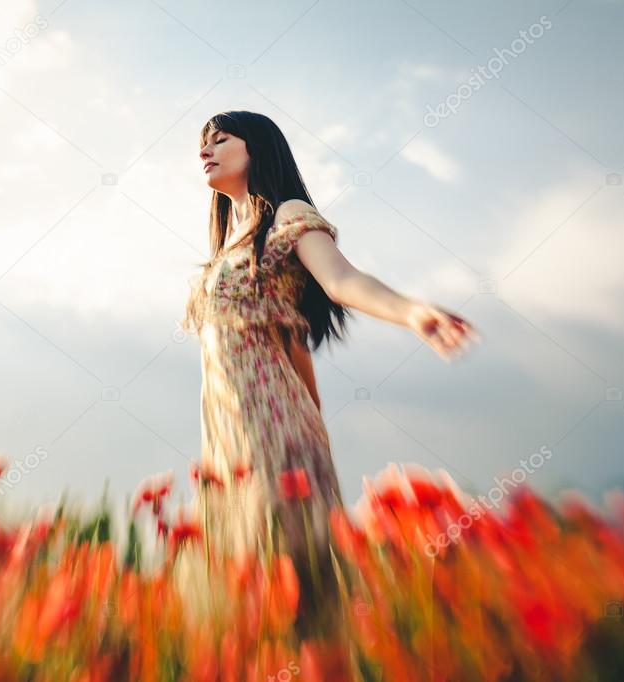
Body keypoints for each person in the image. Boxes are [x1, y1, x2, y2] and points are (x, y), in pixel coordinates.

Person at [180, 111, 480, 639]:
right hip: (226, 439)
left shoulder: (287, 215)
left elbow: (341, 279)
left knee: (301, 592)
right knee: (250, 600)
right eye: (202, 143)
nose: (206, 150)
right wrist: (318, 424)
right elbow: (291, 339)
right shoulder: (228, 246)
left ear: (259, 148)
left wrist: (410, 310)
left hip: (271, 431)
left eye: (220, 139)